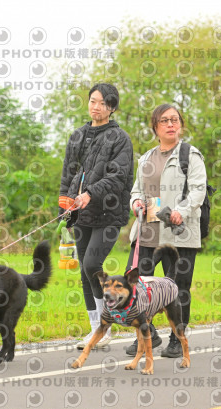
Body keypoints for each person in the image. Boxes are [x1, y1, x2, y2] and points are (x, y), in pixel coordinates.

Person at [124, 103, 207, 358]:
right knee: (135, 286)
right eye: (164, 120)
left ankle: (177, 339)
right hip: (146, 232)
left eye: (175, 120)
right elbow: (136, 190)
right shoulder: (146, 158)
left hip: (179, 233)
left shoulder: (190, 155)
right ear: (155, 127)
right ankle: (147, 334)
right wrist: (135, 203)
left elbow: (198, 191)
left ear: (180, 124)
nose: (171, 124)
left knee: (178, 288)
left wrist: (182, 210)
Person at [59, 83, 133, 349]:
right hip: (81, 213)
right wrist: (64, 208)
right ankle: (97, 330)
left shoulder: (120, 138)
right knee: (84, 270)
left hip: (109, 212)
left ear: (112, 108)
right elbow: (68, 173)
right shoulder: (77, 136)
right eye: (93, 101)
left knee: (92, 264)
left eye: (103, 103)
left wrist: (91, 192)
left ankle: (107, 322)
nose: (96, 107)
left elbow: (118, 176)